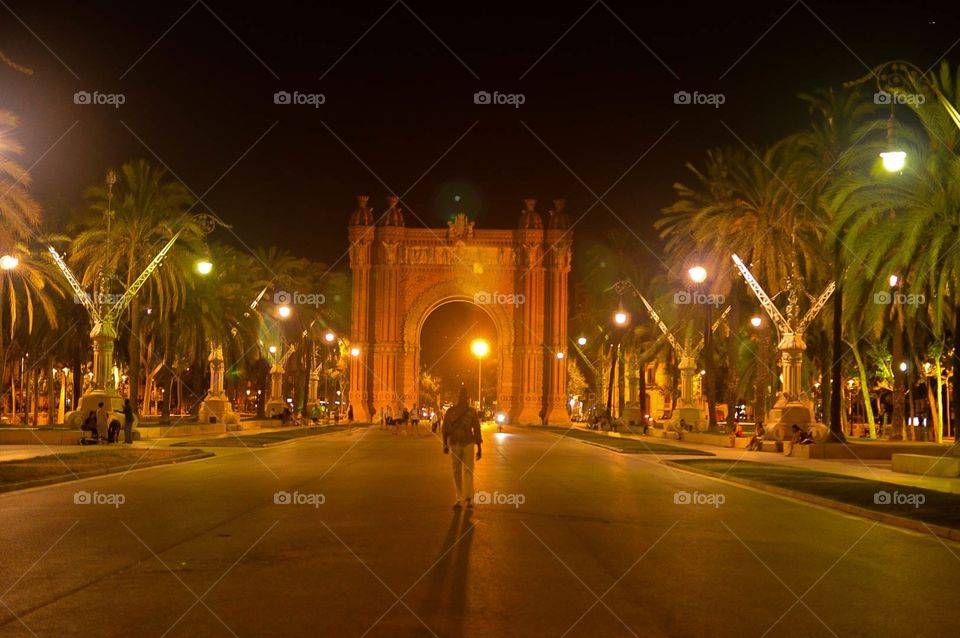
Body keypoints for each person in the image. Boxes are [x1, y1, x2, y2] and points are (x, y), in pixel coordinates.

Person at [442, 385, 483, 509]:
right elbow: (445, 429)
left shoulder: (471, 412)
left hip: (468, 443)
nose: (462, 398)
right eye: (461, 396)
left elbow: (476, 429)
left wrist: (479, 447)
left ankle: (468, 497)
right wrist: (445, 444)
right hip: (455, 443)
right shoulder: (451, 411)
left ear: (467, 397)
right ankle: (459, 498)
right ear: (458, 397)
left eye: (464, 396)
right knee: (457, 471)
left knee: (468, 470)